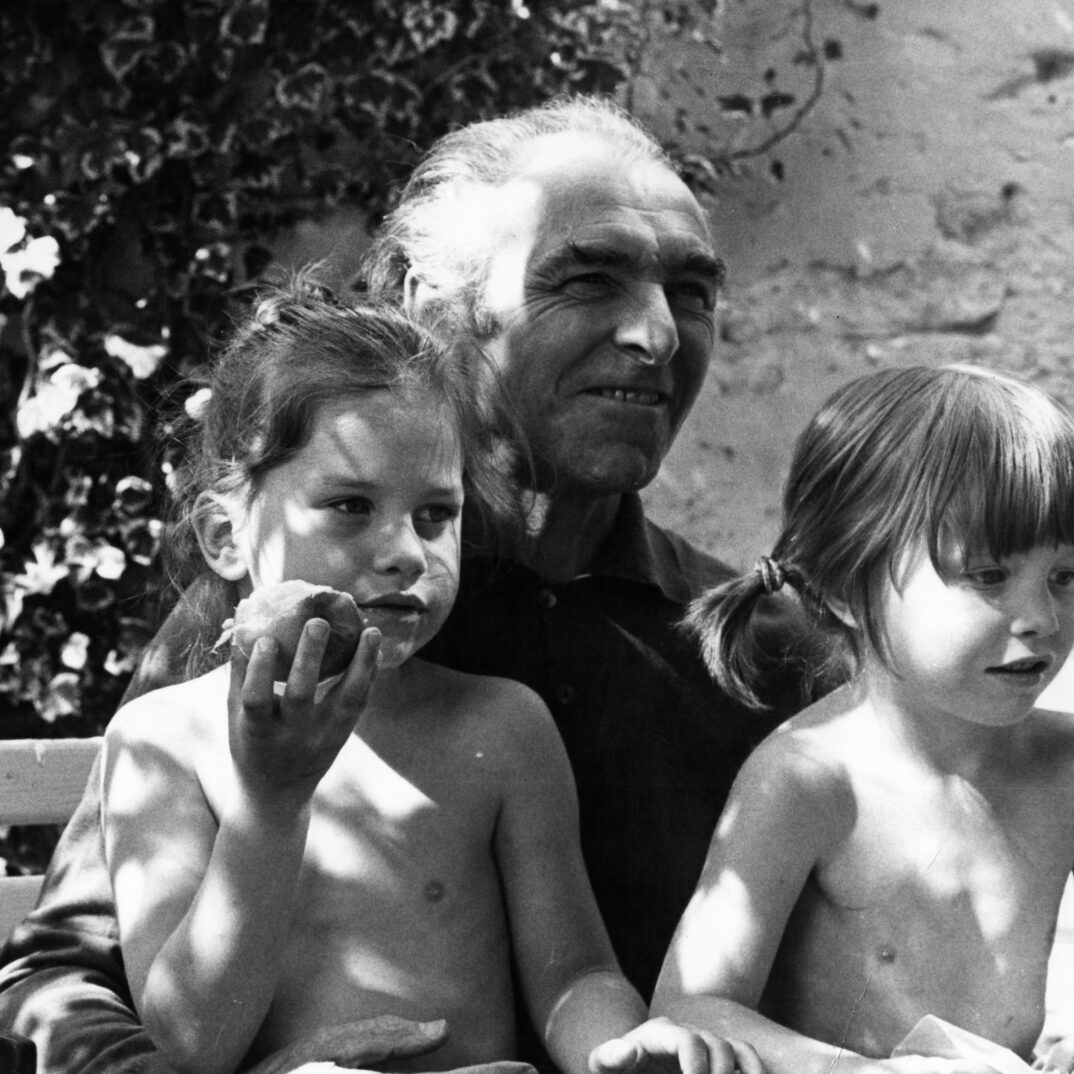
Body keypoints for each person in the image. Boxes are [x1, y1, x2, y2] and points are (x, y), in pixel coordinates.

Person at [0, 96, 807, 1073]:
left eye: (692, 291)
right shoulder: (269, 628)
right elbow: (71, 978)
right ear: (429, 298)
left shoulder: (753, 648)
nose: (657, 334)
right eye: (586, 280)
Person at [103, 279, 752, 1074]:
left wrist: (616, 1050)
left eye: (436, 515)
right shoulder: (163, 741)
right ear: (223, 536)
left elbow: (574, 974)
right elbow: (186, 1047)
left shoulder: (501, 726)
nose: (407, 551)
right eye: (349, 505)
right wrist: (269, 804)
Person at [651, 365, 1074, 1074]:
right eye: (990, 577)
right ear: (845, 591)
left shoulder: (1063, 766)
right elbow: (689, 1007)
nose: (1042, 619)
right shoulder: (811, 780)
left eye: (1066, 577)